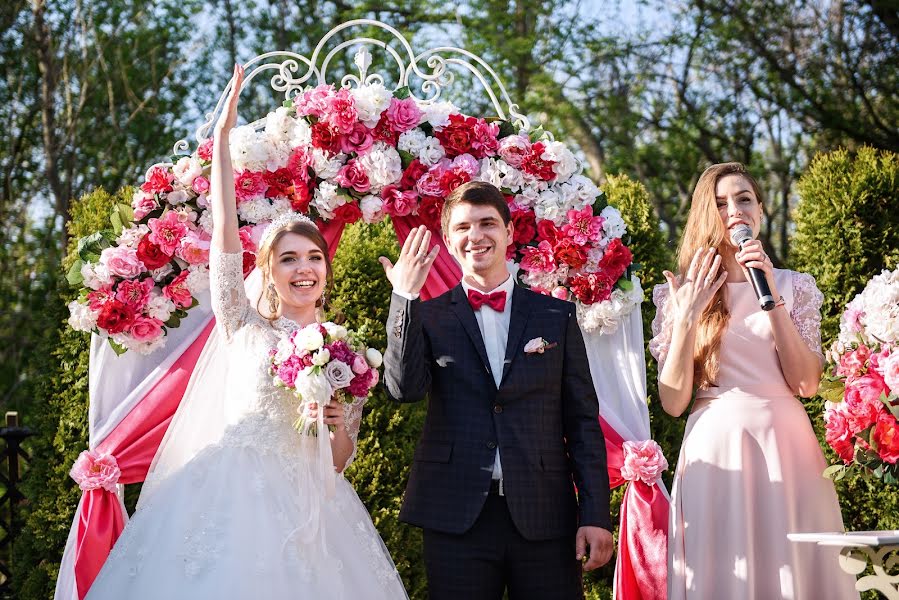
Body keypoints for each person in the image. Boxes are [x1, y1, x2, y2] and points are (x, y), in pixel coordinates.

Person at [85, 65, 407, 599]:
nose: (304, 268)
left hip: (312, 507)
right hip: (224, 492)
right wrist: (221, 139)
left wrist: (332, 421)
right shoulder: (241, 320)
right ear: (268, 268)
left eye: (313, 258)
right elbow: (224, 237)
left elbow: (339, 459)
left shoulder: (344, 353)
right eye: (288, 259)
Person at [380, 181, 614, 599]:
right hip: (456, 515)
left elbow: (582, 422)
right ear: (448, 241)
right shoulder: (429, 316)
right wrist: (404, 296)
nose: (476, 236)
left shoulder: (555, 316)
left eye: (488, 223)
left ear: (509, 231)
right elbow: (403, 389)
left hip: (545, 514)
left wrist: (595, 513)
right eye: (463, 227)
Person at [650, 162, 858, 599]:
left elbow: (806, 384)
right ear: (706, 215)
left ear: (760, 209)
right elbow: (672, 402)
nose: (734, 210)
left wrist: (772, 298)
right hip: (716, 448)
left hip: (787, 446)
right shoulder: (679, 293)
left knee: (798, 571)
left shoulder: (793, 285)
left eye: (743, 198)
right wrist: (687, 318)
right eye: (720, 203)